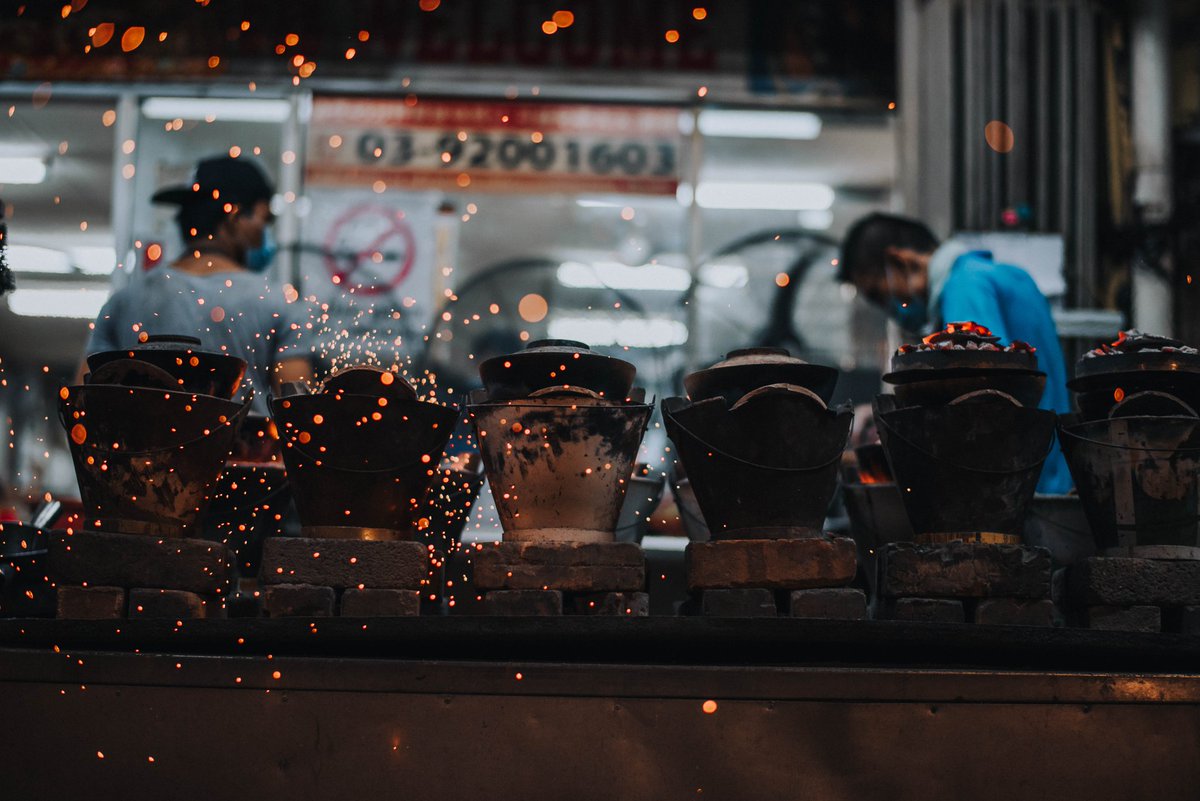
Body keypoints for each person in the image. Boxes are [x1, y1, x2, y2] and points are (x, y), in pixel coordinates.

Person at [838, 212, 1072, 495]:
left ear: (899, 261)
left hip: (1021, 491)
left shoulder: (964, 287)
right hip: (1051, 477)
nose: (887, 307)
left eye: (878, 293)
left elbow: (979, 401)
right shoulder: (1005, 275)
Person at [84, 156, 313, 414]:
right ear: (234, 215)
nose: (265, 234)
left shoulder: (123, 302)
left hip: (143, 454)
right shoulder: (277, 303)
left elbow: (84, 404)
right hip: (244, 454)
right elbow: (298, 415)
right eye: (264, 219)